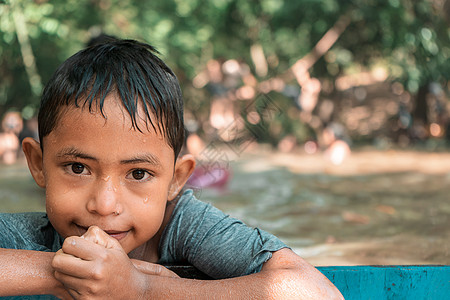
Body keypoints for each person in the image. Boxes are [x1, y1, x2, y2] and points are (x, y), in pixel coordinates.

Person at [0, 39, 343, 299]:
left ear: (176, 179)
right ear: (37, 164)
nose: (104, 205)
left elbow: (317, 291)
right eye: (77, 168)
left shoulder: (183, 223)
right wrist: (64, 271)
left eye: (137, 174)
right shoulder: (26, 237)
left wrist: (143, 288)